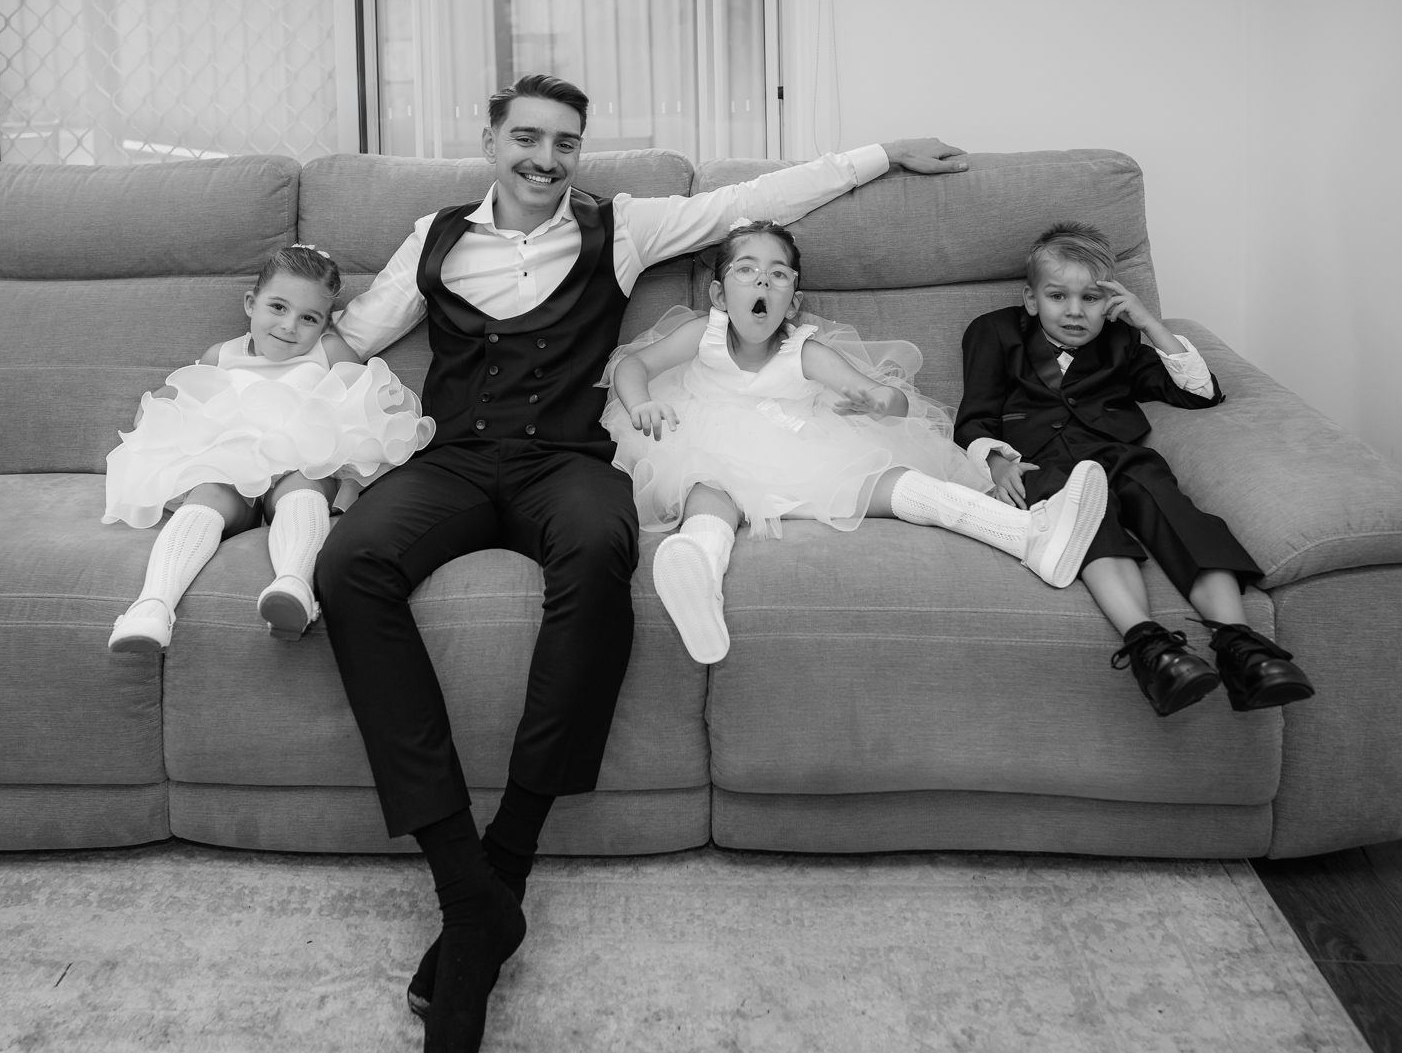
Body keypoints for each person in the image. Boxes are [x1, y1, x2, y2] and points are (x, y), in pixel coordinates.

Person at [318, 72, 972, 1052]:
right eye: (527, 137)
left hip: (567, 462)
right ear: (490, 142)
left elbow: (755, 201)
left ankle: (509, 857)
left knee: (600, 552)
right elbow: (350, 338)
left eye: (565, 142)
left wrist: (879, 154)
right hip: (451, 460)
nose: (545, 158)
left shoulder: (622, 226)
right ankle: (468, 888)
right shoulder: (434, 237)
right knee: (347, 565)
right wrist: (262, 408)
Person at [602, 218, 1110, 664]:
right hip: (711, 448)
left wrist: (878, 402)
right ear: (718, 296)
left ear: (793, 302)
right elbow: (633, 364)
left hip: (802, 451)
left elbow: (887, 397)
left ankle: (1029, 536)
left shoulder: (804, 349)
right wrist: (640, 403)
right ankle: (699, 574)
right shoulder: (703, 334)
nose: (761, 281)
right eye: (746, 270)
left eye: (777, 275)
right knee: (707, 493)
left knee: (898, 481)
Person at [954, 221, 1316, 717]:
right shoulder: (993, 331)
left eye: (1091, 298)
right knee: (1087, 523)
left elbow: (1199, 394)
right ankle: (1151, 648)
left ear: (1110, 302)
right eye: (1058, 296)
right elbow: (973, 417)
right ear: (1031, 299)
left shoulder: (1122, 340)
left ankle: (1242, 647)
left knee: (1177, 512)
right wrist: (996, 461)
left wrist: (1148, 324)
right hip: (1041, 462)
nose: (1075, 311)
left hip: (1120, 453)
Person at [102, 243, 433, 651]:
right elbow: (186, 395)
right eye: (278, 307)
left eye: (309, 318)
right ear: (250, 303)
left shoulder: (328, 351)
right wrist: (159, 408)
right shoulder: (222, 354)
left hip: (302, 462)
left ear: (326, 324)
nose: (290, 326)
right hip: (232, 466)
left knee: (304, 487)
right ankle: (152, 607)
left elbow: (365, 397)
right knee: (207, 495)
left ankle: (293, 586)